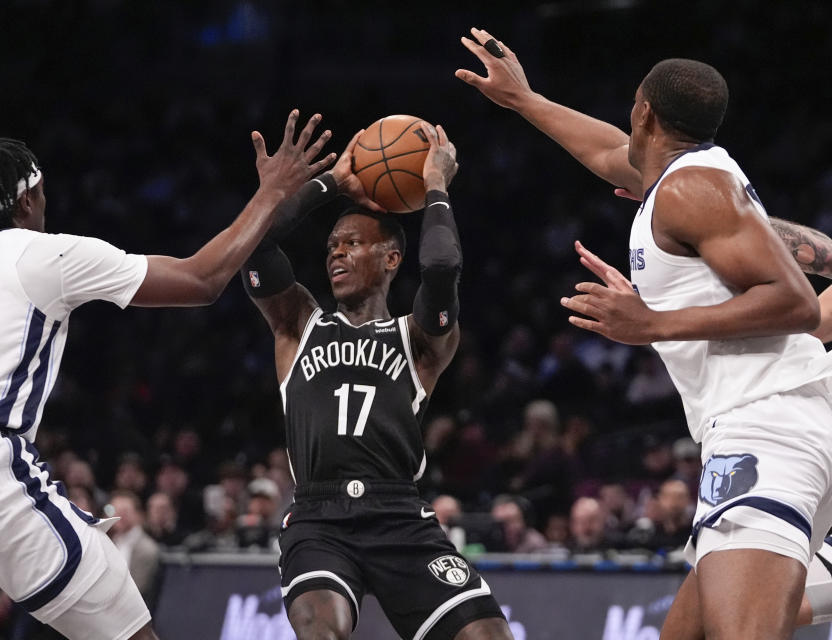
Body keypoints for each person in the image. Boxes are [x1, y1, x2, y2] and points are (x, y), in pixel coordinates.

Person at [0, 110, 333, 640]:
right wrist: (271, 192)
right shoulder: (45, 253)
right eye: (42, 194)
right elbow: (202, 278)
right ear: (26, 200)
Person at [457, 28, 832, 639]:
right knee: (685, 634)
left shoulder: (692, 188)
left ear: (644, 111)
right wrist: (524, 99)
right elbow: (607, 152)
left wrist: (652, 324)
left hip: (764, 424)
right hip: (781, 417)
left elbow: (793, 301)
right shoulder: (682, 180)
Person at [241, 125, 514, 640]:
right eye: (331, 245)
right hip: (319, 518)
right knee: (323, 632)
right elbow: (254, 246)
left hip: (400, 516)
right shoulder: (299, 322)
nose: (335, 254)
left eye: (352, 244)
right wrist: (332, 186)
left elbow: (441, 265)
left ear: (390, 259)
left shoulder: (419, 340)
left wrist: (435, 186)